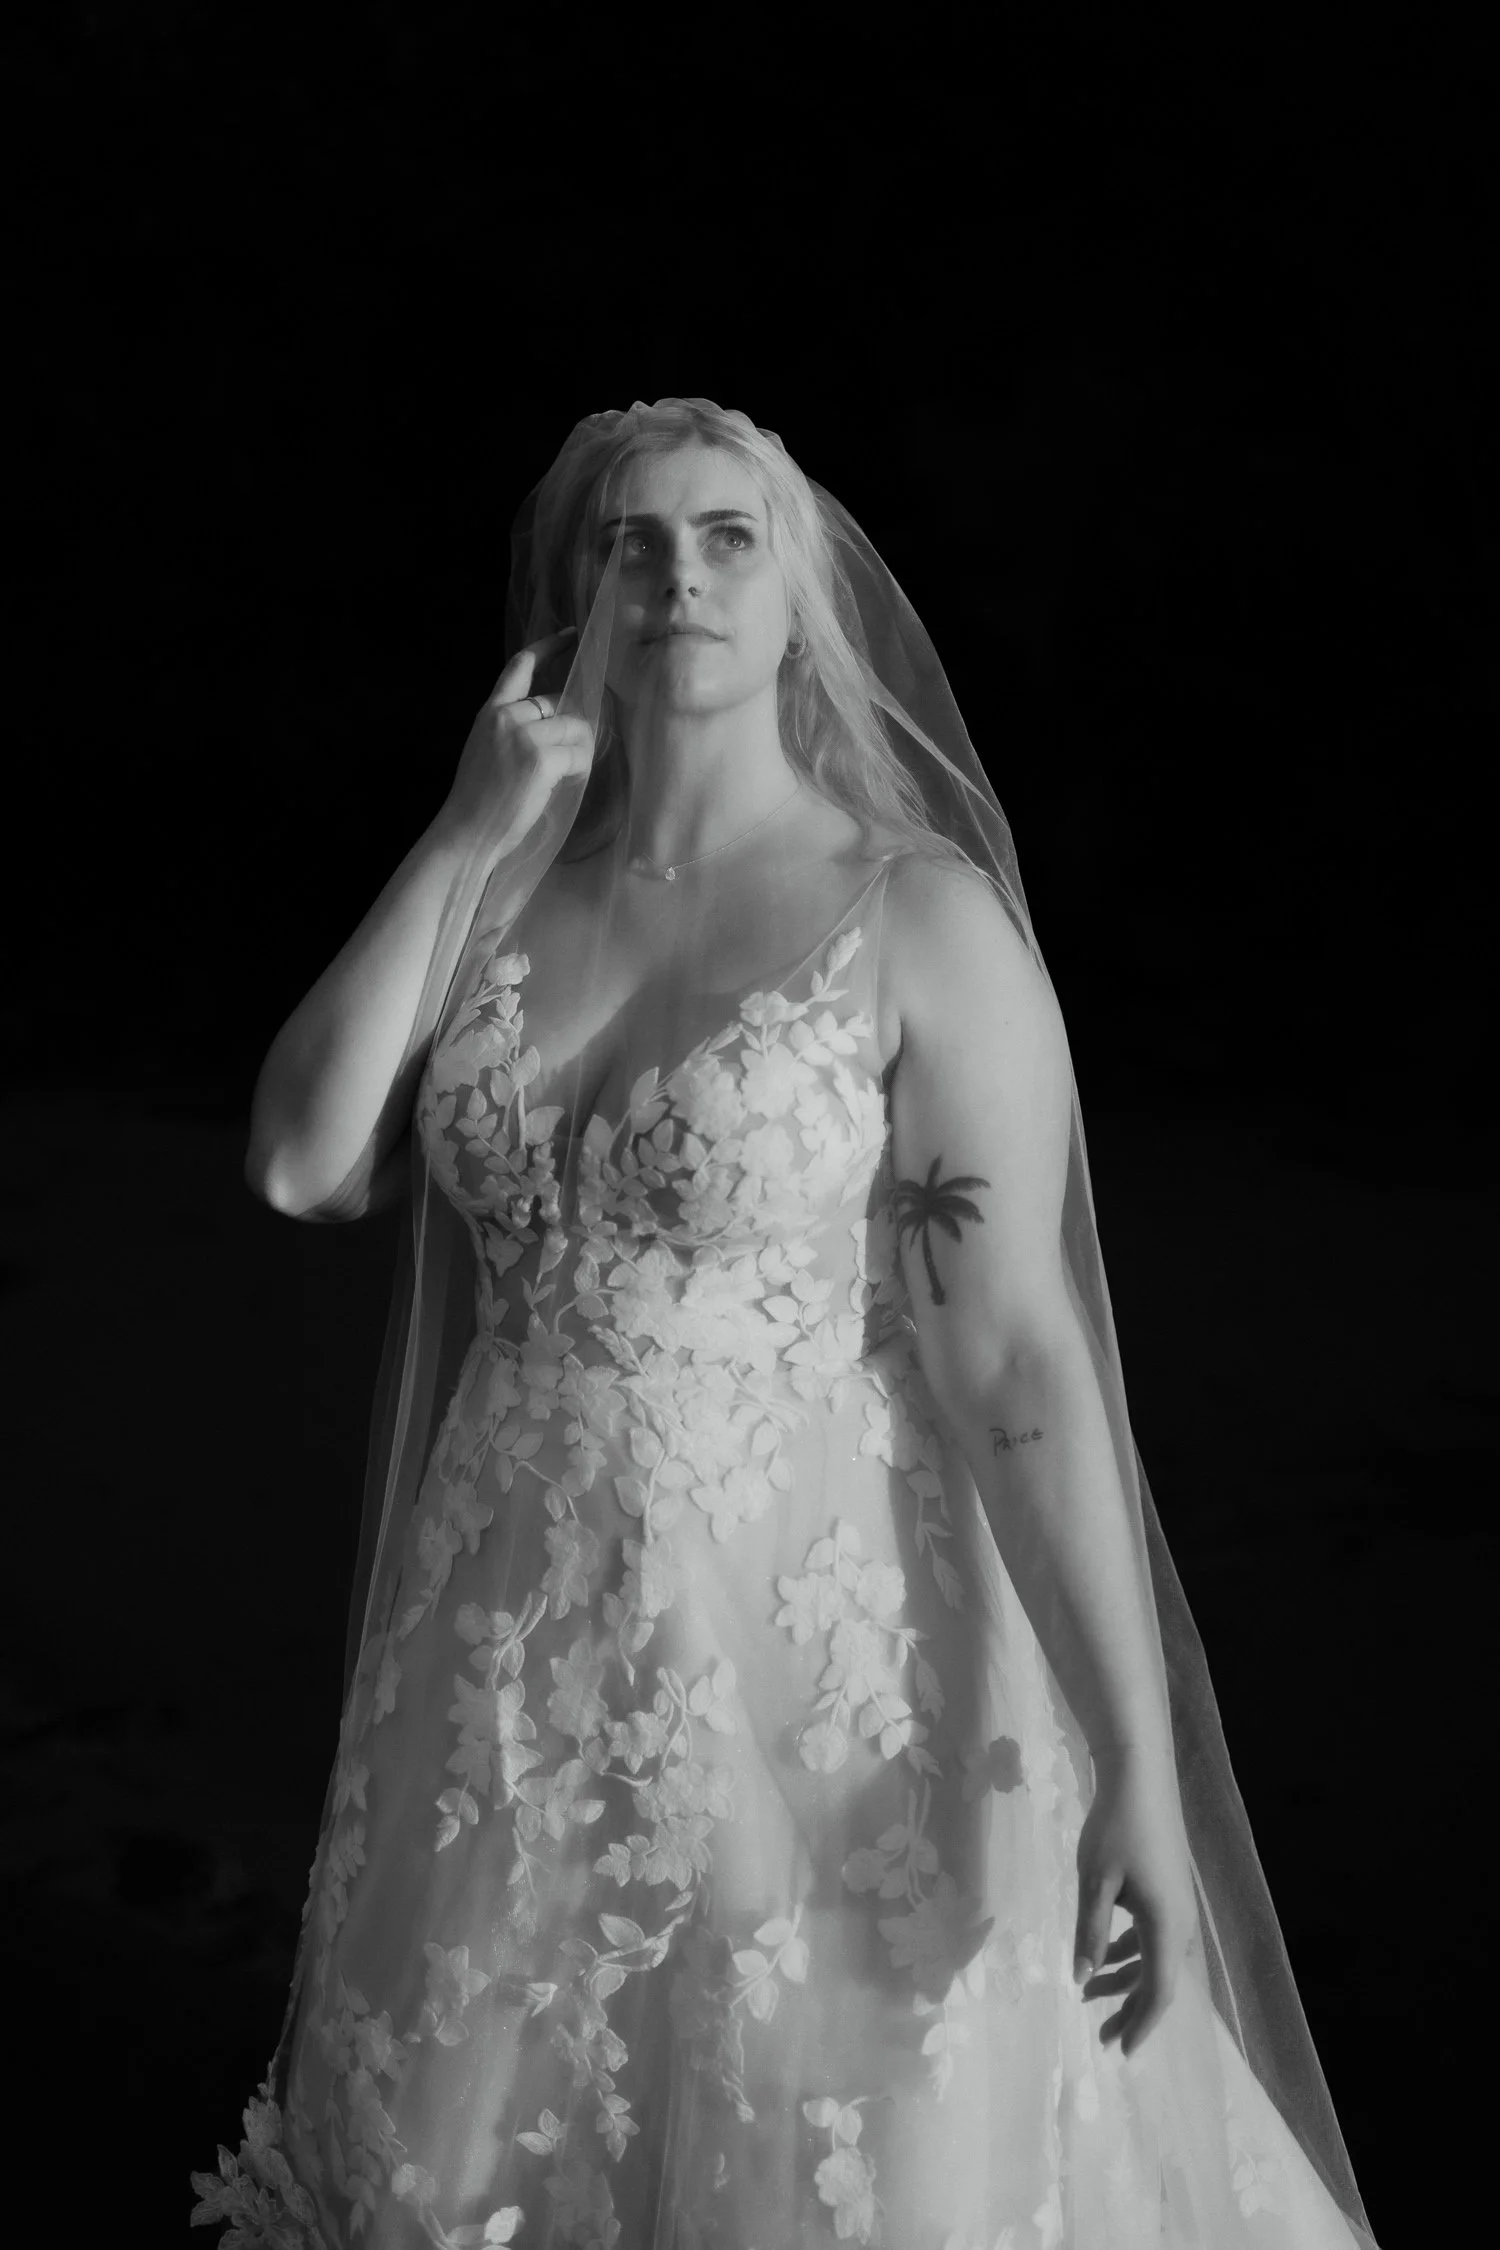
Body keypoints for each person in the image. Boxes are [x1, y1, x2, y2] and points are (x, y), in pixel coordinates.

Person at [192, 401, 1379, 2248]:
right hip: (503, 1661)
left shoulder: (915, 921)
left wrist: (1134, 1759)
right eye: (635, 543)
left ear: (799, 590)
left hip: (827, 1665)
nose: (679, 578)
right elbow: (296, 1158)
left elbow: (1014, 1360)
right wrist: (464, 823)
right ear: (577, 595)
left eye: (729, 538)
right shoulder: (504, 898)